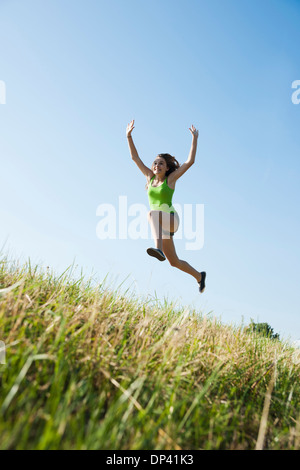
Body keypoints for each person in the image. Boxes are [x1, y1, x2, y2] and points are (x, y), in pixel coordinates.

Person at [126, 120, 206, 293]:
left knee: (151, 214)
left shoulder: (170, 180)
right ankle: (200, 277)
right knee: (174, 262)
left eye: (161, 163)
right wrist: (129, 136)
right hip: (161, 227)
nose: (157, 165)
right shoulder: (149, 178)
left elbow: (190, 161)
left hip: (170, 220)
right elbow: (135, 157)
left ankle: (158, 249)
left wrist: (195, 138)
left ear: (167, 167)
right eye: (155, 163)